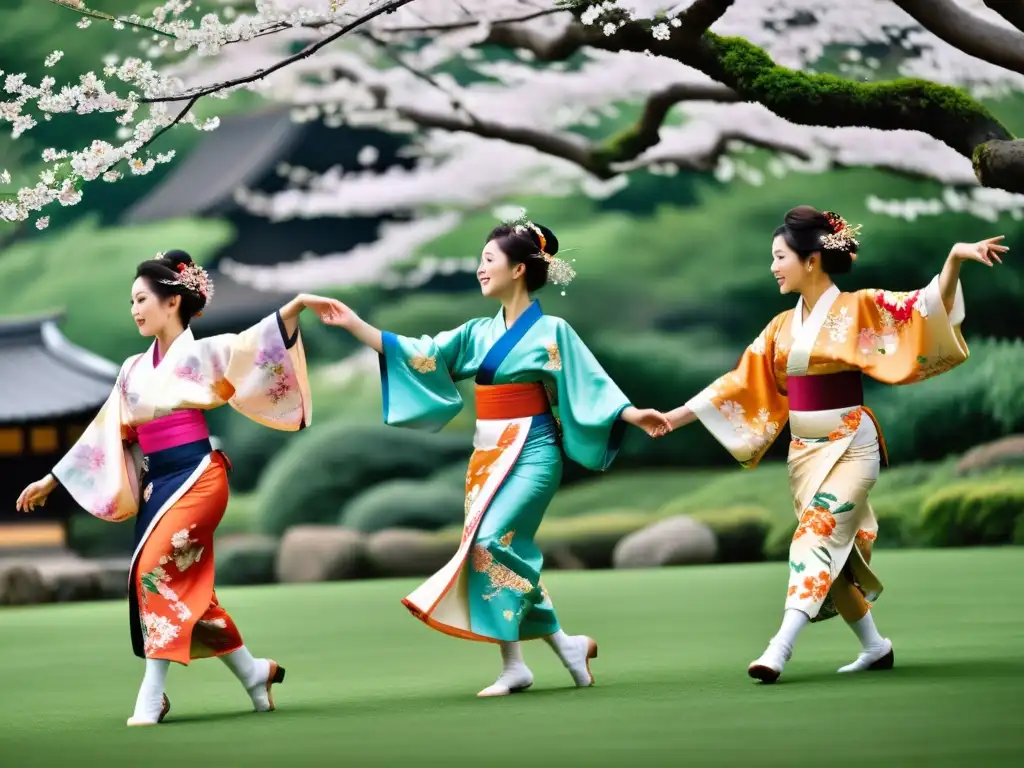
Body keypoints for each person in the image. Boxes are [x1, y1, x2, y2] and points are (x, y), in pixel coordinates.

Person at [323, 216, 669, 697]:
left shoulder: (553, 331)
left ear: (520, 269)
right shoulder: (476, 332)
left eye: (489, 260)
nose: (480, 269)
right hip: (486, 454)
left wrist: (631, 415)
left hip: (533, 449)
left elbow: (590, 384)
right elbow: (422, 356)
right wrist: (355, 324)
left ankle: (520, 663)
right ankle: (551, 651)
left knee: (489, 544)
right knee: (494, 552)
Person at [660, 206, 1006, 683]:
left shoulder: (858, 307)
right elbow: (739, 383)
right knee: (834, 555)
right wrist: (672, 420)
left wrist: (953, 261)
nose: (773, 266)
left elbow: (923, 308)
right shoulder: (781, 326)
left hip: (851, 444)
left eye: (780, 256)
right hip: (804, 451)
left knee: (815, 535)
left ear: (811, 261)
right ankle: (875, 646)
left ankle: (779, 647)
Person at [16, 250, 345, 725]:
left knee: (154, 570)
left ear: (172, 302)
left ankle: (152, 691)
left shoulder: (205, 351)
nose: (134, 309)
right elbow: (107, 430)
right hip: (157, 485)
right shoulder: (132, 368)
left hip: (197, 474)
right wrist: (53, 478)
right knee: (185, 588)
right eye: (131, 301)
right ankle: (254, 673)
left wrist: (291, 309)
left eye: (142, 299)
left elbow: (255, 347)